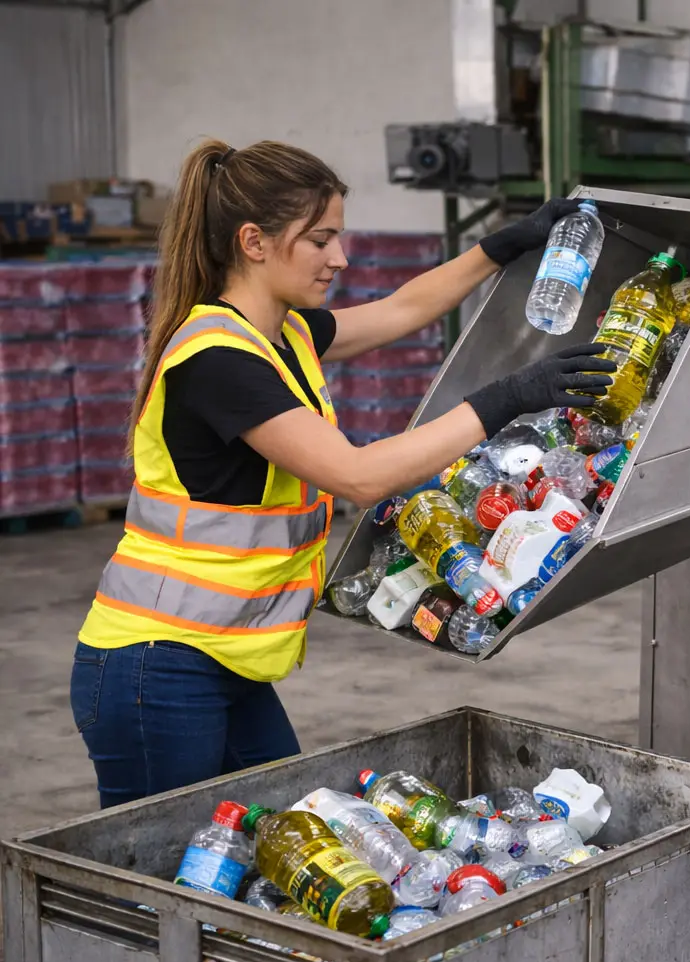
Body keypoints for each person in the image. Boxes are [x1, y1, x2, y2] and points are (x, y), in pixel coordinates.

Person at [71, 139, 615, 808]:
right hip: (155, 665)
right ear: (255, 242)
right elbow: (356, 477)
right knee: (161, 885)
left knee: (278, 840)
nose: (340, 257)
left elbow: (402, 310)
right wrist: (509, 396)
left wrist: (502, 245)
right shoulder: (218, 360)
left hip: (222, 658)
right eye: (321, 239)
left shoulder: (284, 335)